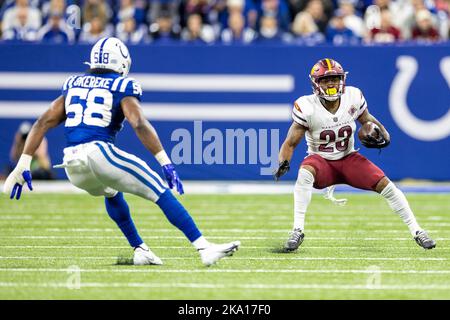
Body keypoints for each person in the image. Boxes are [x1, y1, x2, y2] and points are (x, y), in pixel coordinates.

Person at [3, 37, 240, 266]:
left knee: (111, 192)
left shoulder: (74, 84)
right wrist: (165, 161)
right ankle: (203, 247)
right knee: (158, 189)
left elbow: (42, 122)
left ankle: (140, 249)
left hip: (72, 166)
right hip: (98, 153)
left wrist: (22, 164)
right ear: (122, 63)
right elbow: (138, 123)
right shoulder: (122, 85)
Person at [273, 58, 436, 252]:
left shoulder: (353, 96)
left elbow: (367, 119)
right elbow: (290, 142)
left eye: (334, 78)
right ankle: (297, 230)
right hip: (321, 161)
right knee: (305, 171)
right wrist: (284, 162)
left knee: (387, 186)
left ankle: (417, 230)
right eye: (325, 80)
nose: (331, 83)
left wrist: (384, 133)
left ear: (342, 79)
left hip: (348, 158)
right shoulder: (307, 106)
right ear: (316, 83)